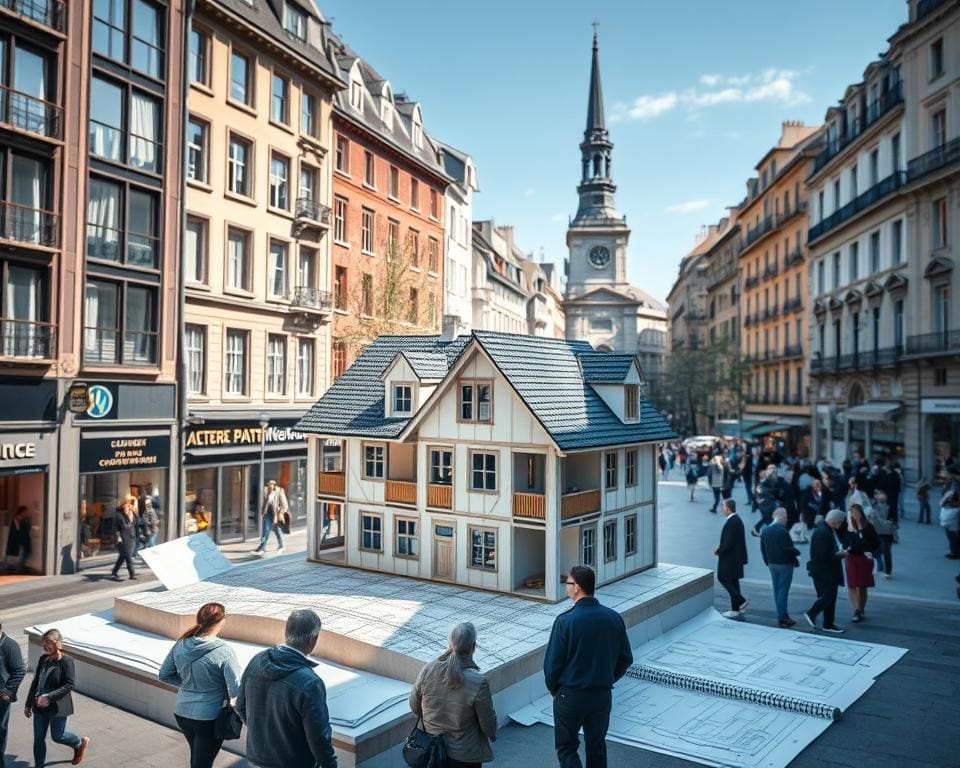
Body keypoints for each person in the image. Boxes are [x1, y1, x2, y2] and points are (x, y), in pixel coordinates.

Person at [543, 565, 633, 768]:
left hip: (570, 695)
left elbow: (552, 665)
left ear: (577, 587)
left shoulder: (565, 621)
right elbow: (626, 658)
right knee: (597, 747)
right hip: (601, 695)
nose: (566, 586)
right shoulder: (613, 618)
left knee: (567, 748)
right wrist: (607, 678)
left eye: (567, 583)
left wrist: (555, 689)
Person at [236, 609, 336, 768]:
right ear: (313, 638)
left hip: (256, 759)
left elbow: (240, 705)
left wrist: (262, 731)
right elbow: (318, 737)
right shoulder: (310, 683)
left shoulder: (256, 661)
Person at [159, 602, 242, 768]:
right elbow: (235, 690)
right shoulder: (225, 651)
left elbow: (164, 675)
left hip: (182, 712)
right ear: (222, 621)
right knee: (202, 764)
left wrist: (189, 684)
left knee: (198, 761)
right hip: (208, 717)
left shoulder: (181, 644)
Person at [409, 622, 497, 768]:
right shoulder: (478, 682)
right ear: (473, 647)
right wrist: (492, 735)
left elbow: (414, 705)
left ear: (449, 643)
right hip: (465, 755)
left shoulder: (428, 669)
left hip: (431, 750)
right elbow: (487, 724)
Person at [24, 629, 89, 767]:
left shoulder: (67, 662)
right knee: (38, 739)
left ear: (58, 643)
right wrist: (29, 703)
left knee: (58, 736)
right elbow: (36, 681)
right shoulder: (43, 659)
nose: (44, 646)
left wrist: (49, 697)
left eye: (48, 643)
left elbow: (69, 685)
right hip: (39, 706)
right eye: (43, 643)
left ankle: (79, 743)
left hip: (58, 707)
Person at [803, 509, 848, 634]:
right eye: (840, 522)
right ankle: (811, 613)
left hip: (826, 570)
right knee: (829, 596)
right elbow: (822, 556)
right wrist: (841, 554)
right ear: (834, 521)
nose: (841, 525)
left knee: (830, 597)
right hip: (825, 572)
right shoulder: (823, 532)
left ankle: (828, 624)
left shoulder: (827, 529)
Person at [760, 507, 800, 627]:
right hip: (784, 565)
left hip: (772, 564)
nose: (787, 520)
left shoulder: (765, 530)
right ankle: (782, 616)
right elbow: (788, 549)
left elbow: (763, 549)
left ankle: (781, 614)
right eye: (786, 517)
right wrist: (797, 554)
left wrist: (767, 562)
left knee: (777, 589)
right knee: (783, 590)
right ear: (781, 517)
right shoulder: (782, 531)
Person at [714, 499, 749, 619]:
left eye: (723, 507)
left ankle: (741, 601)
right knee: (734, 581)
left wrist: (719, 551)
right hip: (737, 558)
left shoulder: (731, 523)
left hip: (730, 558)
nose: (722, 509)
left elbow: (728, 543)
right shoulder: (736, 520)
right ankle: (736, 609)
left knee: (723, 577)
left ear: (728, 508)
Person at [844, 503, 879, 623]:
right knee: (852, 585)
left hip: (864, 559)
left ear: (861, 514)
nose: (854, 515)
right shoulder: (848, 527)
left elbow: (875, 543)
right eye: (852, 513)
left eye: (856, 513)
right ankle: (856, 610)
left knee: (862, 586)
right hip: (852, 559)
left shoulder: (868, 527)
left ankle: (861, 609)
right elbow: (847, 543)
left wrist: (870, 551)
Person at [0, 619, 27, 763]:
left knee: (0, 731)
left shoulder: (10, 646)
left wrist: (7, 692)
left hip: (1, 699)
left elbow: (19, 670)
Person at [252, 480, 288, 555]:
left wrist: (281, 513)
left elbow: (285, 505)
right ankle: (262, 547)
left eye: (271, 484)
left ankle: (281, 545)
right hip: (267, 513)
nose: (269, 486)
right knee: (266, 530)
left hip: (276, 514)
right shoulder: (265, 491)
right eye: (268, 484)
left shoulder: (279, 491)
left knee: (277, 530)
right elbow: (263, 501)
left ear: (274, 485)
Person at [867, 491, 896, 579]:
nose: (879, 496)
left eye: (881, 494)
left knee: (886, 550)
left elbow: (894, 519)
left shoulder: (891, 506)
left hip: (886, 533)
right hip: (875, 532)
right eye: (877, 494)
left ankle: (888, 571)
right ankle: (878, 566)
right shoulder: (872, 506)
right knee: (875, 551)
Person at [111, 494, 138, 581]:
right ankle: (132, 573)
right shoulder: (119, 515)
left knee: (123, 556)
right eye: (128, 504)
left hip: (132, 537)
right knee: (128, 556)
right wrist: (129, 517)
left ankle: (114, 571)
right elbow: (123, 526)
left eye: (130, 504)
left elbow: (138, 523)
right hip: (123, 538)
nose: (129, 506)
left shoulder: (132, 513)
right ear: (124, 505)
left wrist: (134, 514)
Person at [753, 467, 781, 536]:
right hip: (767, 502)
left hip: (767, 501)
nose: (776, 475)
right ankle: (757, 528)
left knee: (768, 517)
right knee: (768, 517)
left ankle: (758, 529)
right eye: (775, 473)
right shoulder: (768, 481)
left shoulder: (767, 481)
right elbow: (770, 490)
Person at [5, 506, 32, 572]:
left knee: (24, 554)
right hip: (19, 541)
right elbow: (17, 531)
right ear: (21, 512)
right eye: (25, 512)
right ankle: (15, 567)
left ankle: (17, 566)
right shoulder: (16, 521)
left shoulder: (24, 520)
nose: (27, 513)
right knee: (18, 555)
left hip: (23, 541)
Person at [940, 490, 960, 560]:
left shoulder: (951, 503)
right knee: (954, 539)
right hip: (950, 525)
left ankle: (954, 553)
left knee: (953, 540)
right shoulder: (950, 501)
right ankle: (954, 553)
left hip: (951, 525)